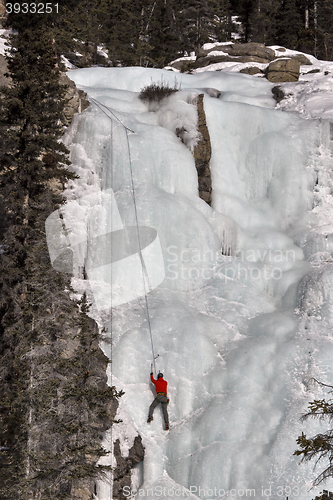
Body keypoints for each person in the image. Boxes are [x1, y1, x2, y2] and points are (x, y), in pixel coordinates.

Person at [147, 366, 169, 430]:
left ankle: (150, 417)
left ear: (158, 377)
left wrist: (151, 374)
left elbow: (152, 380)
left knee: (152, 406)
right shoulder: (165, 382)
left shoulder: (156, 382)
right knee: (165, 411)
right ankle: (167, 424)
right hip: (165, 398)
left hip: (159, 396)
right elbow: (161, 382)